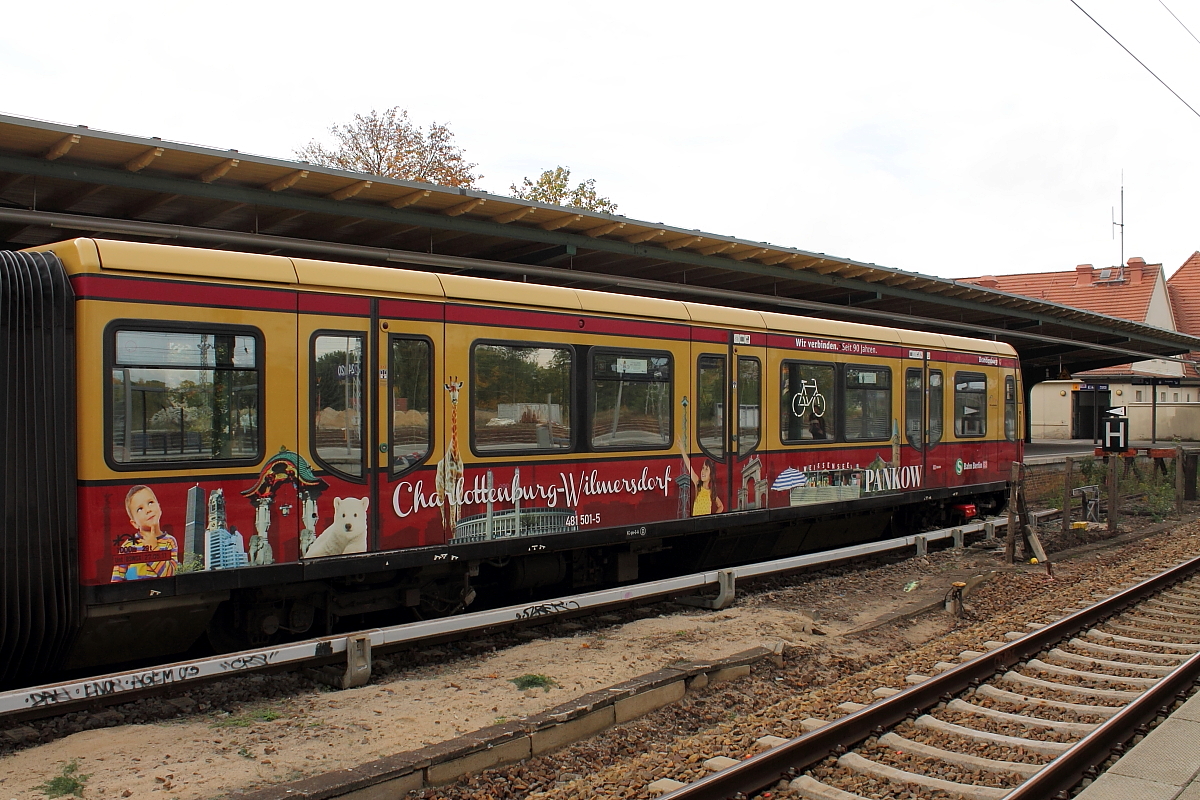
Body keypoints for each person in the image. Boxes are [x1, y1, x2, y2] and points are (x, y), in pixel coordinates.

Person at [112, 485, 179, 581]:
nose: (148, 510)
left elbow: (171, 574)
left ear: (159, 507)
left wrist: (153, 549)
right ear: (134, 523)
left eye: (150, 502)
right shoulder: (128, 546)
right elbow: (116, 579)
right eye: (140, 509)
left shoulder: (170, 541)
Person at [680, 450, 725, 516]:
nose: (703, 471)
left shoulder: (711, 492)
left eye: (706, 469)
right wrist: (682, 450)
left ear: (711, 475)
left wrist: (712, 518)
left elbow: (721, 506)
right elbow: (689, 466)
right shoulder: (698, 484)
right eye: (703, 468)